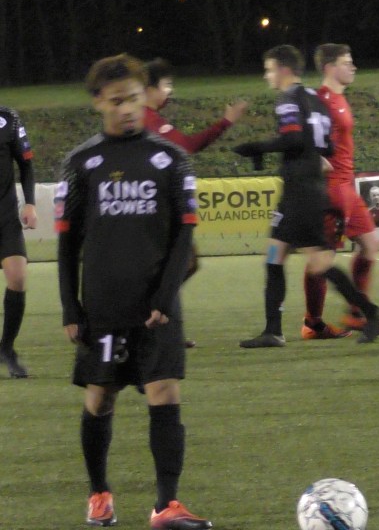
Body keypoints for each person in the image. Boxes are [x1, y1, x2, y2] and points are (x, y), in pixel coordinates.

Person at [56, 53, 211, 529]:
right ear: (99, 102)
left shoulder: (171, 160)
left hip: (157, 306)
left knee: (164, 391)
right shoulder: (81, 164)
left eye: (135, 98)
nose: (128, 109)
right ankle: (99, 494)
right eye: (117, 100)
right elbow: (67, 243)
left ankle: (166, 506)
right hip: (104, 304)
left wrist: (165, 296)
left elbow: (185, 233)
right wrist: (70, 307)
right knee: (100, 397)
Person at [232, 45, 379, 347]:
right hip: (304, 189)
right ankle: (273, 331)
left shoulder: (288, 99)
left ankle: (370, 313)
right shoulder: (316, 100)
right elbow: (327, 147)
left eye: (269, 70)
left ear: (283, 69)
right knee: (274, 257)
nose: (266, 76)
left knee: (319, 263)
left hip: (301, 194)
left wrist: (256, 148)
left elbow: (292, 138)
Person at [143, 58, 248, 348]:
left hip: (159, 207)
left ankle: (157, 322)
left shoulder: (150, 118)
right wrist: (226, 122)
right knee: (182, 264)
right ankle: (152, 321)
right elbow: (187, 146)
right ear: (150, 88)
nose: (170, 90)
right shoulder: (147, 119)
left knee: (183, 264)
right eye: (166, 85)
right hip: (156, 209)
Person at [305, 43, 379, 338]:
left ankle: (356, 313)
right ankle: (313, 322)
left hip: (347, 185)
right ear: (329, 67)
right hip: (331, 188)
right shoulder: (320, 100)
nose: (353, 67)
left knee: (370, 244)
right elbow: (303, 137)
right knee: (322, 258)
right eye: (347, 62)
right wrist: (314, 160)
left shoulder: (339, 98)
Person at [0, 104, 35, 378]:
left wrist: (30, 204)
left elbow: (26, 164)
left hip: (6, 217)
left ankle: (7, 349)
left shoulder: (8, 119)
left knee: (18, 278)